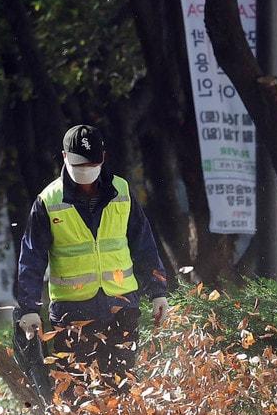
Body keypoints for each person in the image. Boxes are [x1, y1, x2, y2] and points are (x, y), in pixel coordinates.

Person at [15, 124, 169, 389]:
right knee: (77, 392)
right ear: (64, 158)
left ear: (103, 158)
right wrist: (28, 308)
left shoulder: (121, 191)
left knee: (121, 387)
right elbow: (31, 257)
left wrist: (158, 291)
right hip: (72, 312)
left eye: (90, 165)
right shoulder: (48, 201)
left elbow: (144, 243)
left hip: (122, 305)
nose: (85, 173)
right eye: (79, 167)